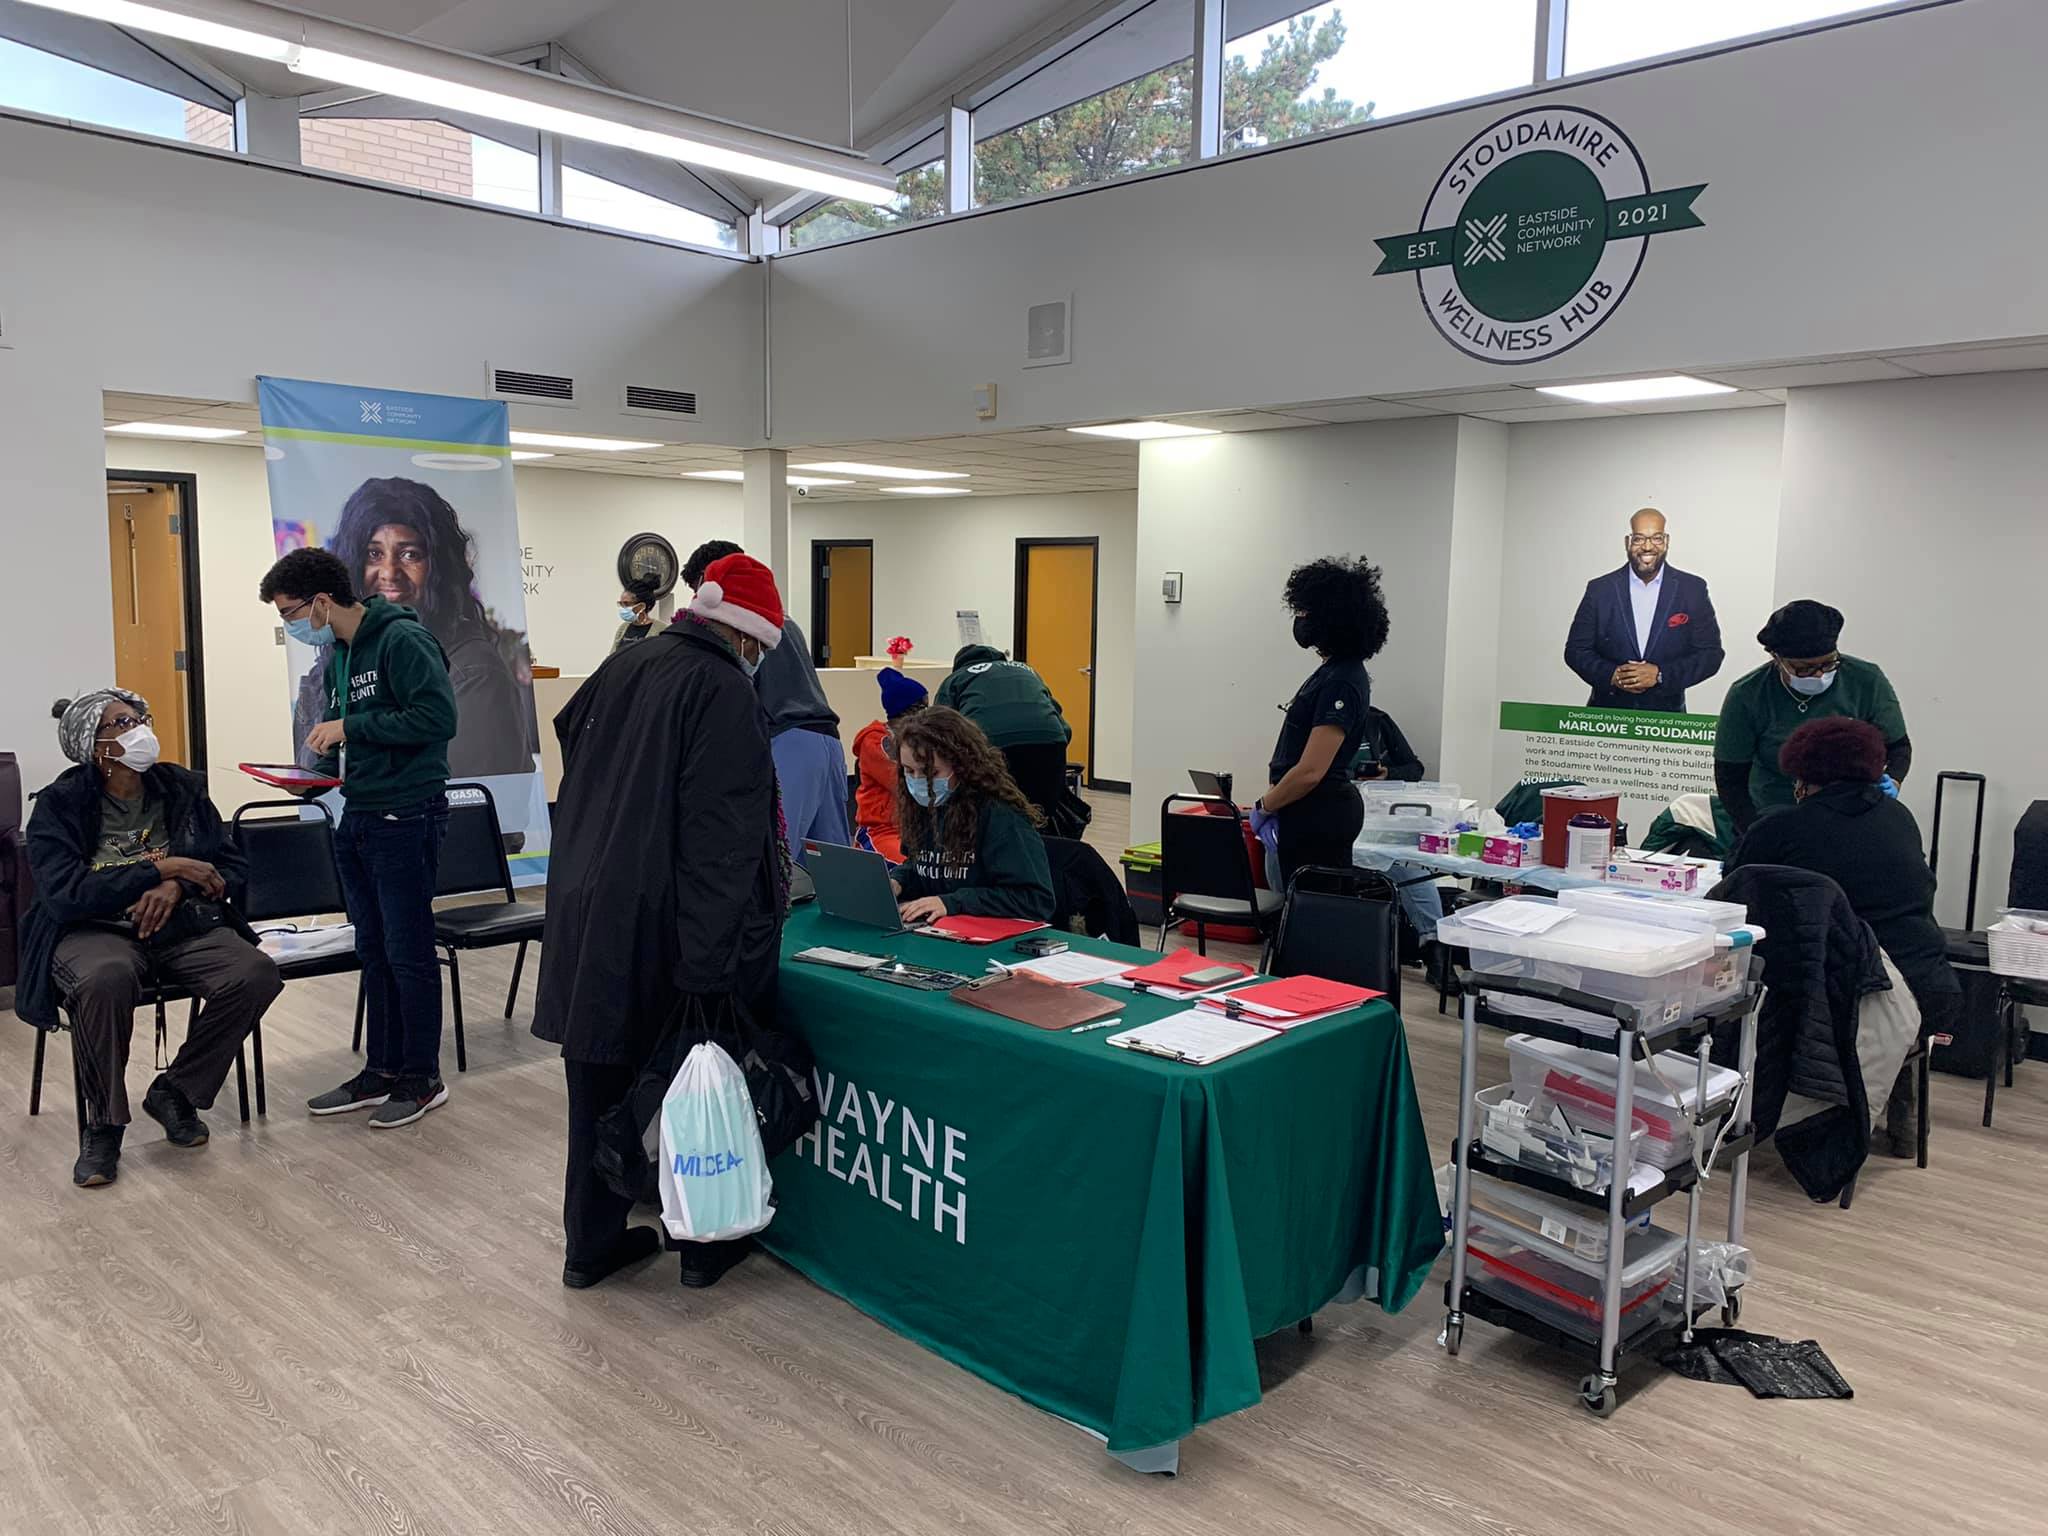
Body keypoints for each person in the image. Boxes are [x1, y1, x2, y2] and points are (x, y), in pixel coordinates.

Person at [535, 552, 791, 1291]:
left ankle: (590, 1245)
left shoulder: (626, 665)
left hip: (590, 907)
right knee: (696, 1090)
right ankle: (707, 1246)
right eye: (761, 649)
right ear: (745, 637)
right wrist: (711, 969)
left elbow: (573, 739)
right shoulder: (722, 691)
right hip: (669, 929)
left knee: (597, 1083)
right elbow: (722, 843)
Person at [18, 690, 282, 1187]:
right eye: (120, 723)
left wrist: (174, 884)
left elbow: (229, 865)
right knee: (105, 979)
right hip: (94, 930)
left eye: (138, 716)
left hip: (180, 924)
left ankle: (176, 1092)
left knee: (254, 972)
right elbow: (65, 895)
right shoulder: (60, 804)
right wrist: (159, 868)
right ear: (94, 746)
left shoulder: (181, 789)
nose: (138, 727)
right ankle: (104, 1125)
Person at [262, 546, 459, 1129]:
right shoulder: (342, 653)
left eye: (291, 612)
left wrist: (352, 725)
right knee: (372, 949)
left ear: (322, 601)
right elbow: (360, 731)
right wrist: (312, 773)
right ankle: (382, 1070)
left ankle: (422, 1077)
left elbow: (437, 718)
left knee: (408, 951)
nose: (291, 626)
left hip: (408, 812)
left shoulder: (402, 640)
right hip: (362, 811)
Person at [1727, 717, 1958, 1156]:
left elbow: (1733, 896)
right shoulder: (1899, 817)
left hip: (1845, 999)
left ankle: (1733, 1118)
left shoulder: (1781, 829)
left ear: (1800, 774)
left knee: (1742, 983)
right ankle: (1900, 1105)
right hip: (1927, 986)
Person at [291, 477, 533, 780]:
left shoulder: (472, 673)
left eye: (410, 555)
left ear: (439, 568)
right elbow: (314, 773)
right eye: (374, 554)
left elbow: (471, 807)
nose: (389, 573)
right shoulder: (336, 664)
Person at [682, 540, 849, 864]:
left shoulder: (743, 627)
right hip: (826, 740)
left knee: (774, 856)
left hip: (789, 741)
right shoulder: (785, 621)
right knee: (833, 861)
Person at [1713, 599, 1910, 833]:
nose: (1819, 675)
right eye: (1804, 669)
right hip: (1773, 815)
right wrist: (1755, 831)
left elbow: (1899, 747)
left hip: (1851, 817)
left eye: (1828, 664)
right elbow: (1730, 778)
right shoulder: (1748, 694)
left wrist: (1894, 780)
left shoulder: (1866, 680)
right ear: (1777, 659)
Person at [1254, 556, 1389, 888]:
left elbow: (1312, 770)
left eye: (1306, 612)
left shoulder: (1342, 680)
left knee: (1310, 918)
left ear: (1331, 619)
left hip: (1320, 815)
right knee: (1292, 914)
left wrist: (1264, 806)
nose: (1301, 619)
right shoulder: (1332, 672)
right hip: (1304, 811)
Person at [889, 707, 1056, 924]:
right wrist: (898, 881)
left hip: (989, 939)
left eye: (931, 773)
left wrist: (953, 903)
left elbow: (1035, 900)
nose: (920, 781)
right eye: (909, 771)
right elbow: (926, 866)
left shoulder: (1001, 816)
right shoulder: (925, 806)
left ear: (961, 765)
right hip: (941, 931)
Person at [1563, 507, 1725, 713]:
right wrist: (1612, 675)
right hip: (1605, 717)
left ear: (1666, 541)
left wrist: (1660, 675)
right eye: (1639, 538)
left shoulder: (1692, 589)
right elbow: (1576, 650)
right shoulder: (1600, 589)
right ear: (1627, 542)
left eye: (1656, 538)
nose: (1648, 546)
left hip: (1666, 720)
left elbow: (1710, 654)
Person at [935, 644, 1073, 825]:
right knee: (1043, 814)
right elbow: (1063, 726)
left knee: (992, 812)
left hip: (992, 745)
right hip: (1049, 741)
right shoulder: (1027, 671)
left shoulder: (956, 678)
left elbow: (938, 730)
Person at [1349, 703, 1444, 955]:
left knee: (1411, 871)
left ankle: (1435, 947)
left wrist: (1386, 774)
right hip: (1331, 824)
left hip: (1375, 824)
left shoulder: (1377, 721)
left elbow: (1414, 769)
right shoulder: (1311, 725)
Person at [852, 667, 926, 861]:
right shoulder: (876, 742)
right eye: (923, 708)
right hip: (879, 832)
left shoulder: (918, 740)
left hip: (913, 831)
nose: (928, 713)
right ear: (907, 711)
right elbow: (902, 783)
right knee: (911, 868)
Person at [611, 572, 661, 656]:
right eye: (621, 604)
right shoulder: (623, 628)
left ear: (641, 606)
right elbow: (611, 658)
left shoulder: (661, 630)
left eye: (626, 604)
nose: (623, 608)